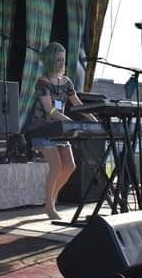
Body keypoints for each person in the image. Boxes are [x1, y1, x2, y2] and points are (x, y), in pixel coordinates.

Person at [29, 42, 96, 220]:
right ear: (50, 60)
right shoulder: (42, 82)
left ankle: (50, 198)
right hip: (43, 128)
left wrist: (94, 121)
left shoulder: (67, 82)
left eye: (63, 60)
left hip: (60, 129)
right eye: (57, 60)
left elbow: (78, 105)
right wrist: (70, 121)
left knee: (70, 167)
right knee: (56, 166)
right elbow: (49, 109)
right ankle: (50, 206)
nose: (61, 63)